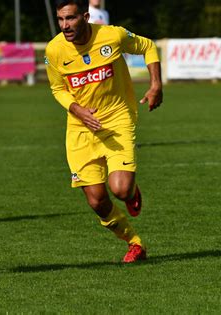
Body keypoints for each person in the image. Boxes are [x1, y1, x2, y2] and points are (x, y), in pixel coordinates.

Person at [45, 0, 162, 263]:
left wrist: (156, 85)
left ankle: (131, 190)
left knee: (120, 190)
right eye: (61, 20)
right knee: (97, 201)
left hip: (117, 120)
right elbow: (57, 88)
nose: (65, 26)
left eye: (71, 19)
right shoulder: (54, 50)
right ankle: (135, 243)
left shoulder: (112, 35)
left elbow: (148, 47)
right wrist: (76, 109)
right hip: (80, 129)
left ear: (86, 17)